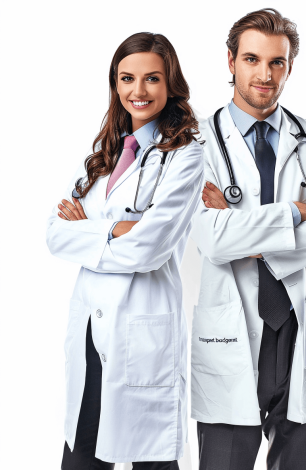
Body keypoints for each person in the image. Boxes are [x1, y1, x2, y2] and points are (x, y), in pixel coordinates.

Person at [190, 8, 306, 470]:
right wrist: (293, 217)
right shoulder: (194, 143)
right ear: (230, 61)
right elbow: (212, 240)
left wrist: (245, 228)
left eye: (277, 62)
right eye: (251, 59)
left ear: (289, 65)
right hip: (230, 332)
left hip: (303, 330)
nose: (265, 74)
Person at [46, 32, 203, 469]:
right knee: (79, 459)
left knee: (151, 459)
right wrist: (118, 228)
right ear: (115, 85)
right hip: (90, 335)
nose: (139, 90)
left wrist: (92, 231)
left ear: (170, 83)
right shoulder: (102, 153)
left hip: (142, 336)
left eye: (152, 78)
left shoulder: (186, 155)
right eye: (127, 78)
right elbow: (55, 234)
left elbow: (148, 250)